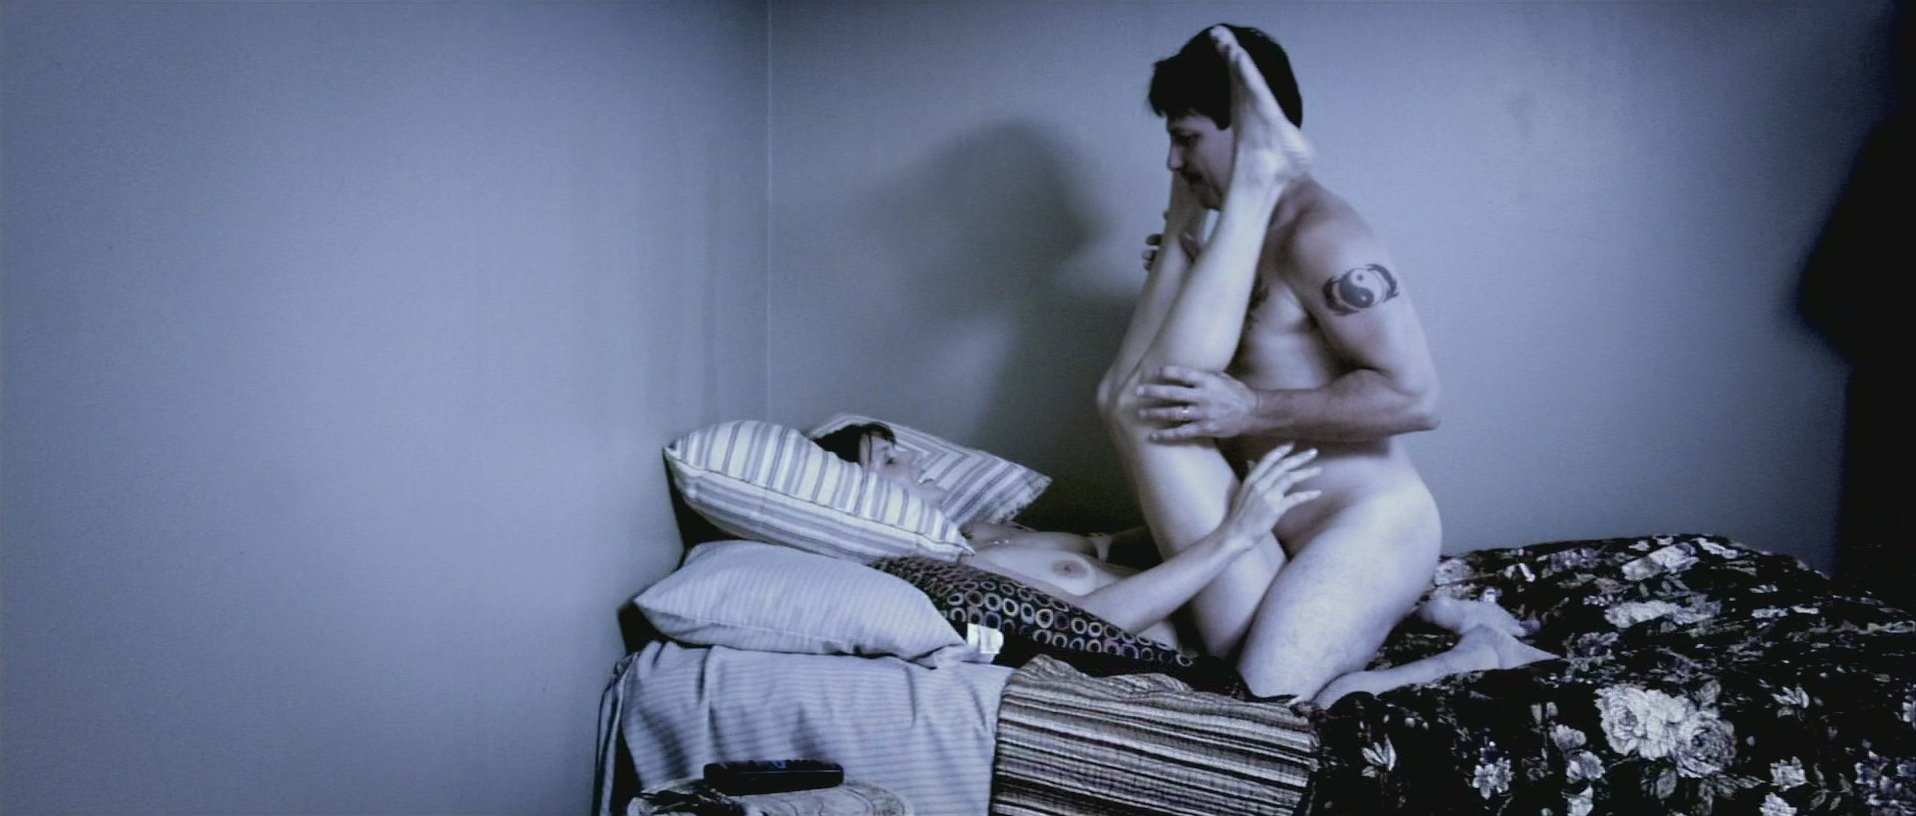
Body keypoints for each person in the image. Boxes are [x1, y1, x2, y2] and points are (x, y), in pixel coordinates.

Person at [1090, 24, 1550, 703]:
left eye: (1186, 138)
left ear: (1248, 127)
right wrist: (1182, 246)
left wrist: (1253, 410)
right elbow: (1142, 397)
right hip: (1264, 528)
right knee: (1228, 683)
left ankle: (1478, 651)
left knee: (1267, 700)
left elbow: (1417, 398)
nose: (1173, 160)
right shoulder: (1233, 241)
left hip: (1363, 523)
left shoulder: (1322, 235)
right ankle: (1408, 619)